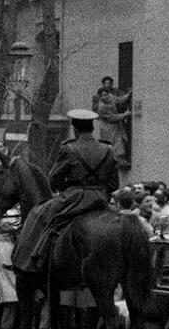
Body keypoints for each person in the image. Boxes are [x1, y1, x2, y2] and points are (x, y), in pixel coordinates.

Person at [11, 108, 119, 274]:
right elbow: (114, 183)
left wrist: (66, 187)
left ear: (74, 129)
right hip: (101, 199)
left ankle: (32, 260)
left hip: (73, 198)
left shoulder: (69, 149)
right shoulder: (108, 149)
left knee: (38, 213)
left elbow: (53, 180)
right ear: (92, 128)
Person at [93, 80, 132, 169]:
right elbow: (112, 117)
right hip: (108, 128)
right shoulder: (102, 107)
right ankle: (119, 162)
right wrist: (125, 115)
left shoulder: (110, 98)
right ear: (100, 97)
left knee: (120, 142)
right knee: (115, 144)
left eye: (106, 94)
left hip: (116, 126)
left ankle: (120, 161)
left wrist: (128, 94)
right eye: (103, 95)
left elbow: (119, 100)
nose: (105, 97)